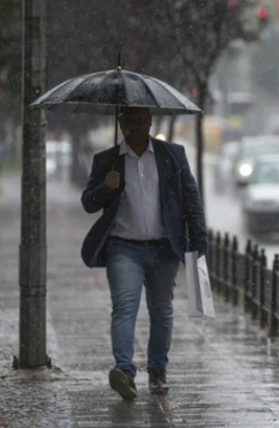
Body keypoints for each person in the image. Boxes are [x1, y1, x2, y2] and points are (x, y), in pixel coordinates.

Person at [80, 106, 207, 400]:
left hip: (165, 248)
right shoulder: (107, 160)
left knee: (161, 310)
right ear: (120, 123)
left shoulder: (172, 155)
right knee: (124, 307)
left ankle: (158, 370)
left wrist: (199, 243)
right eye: (129, 121)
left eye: (141, 120)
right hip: (123, 247)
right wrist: (106, 188)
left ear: (150, 120)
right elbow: (88, 202)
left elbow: (191, 200)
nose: (136, 126)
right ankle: (124, 370)